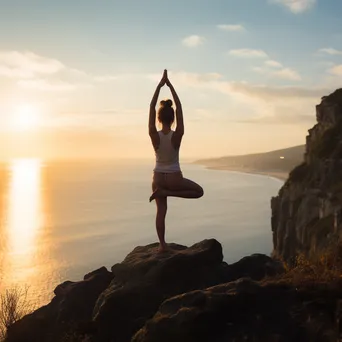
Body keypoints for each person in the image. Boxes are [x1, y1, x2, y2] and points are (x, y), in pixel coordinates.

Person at [148, 69, 204, 252]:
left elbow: (151, 107)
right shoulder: (177, 135)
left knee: (160, 212)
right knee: (199, 192)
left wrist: (159, 85)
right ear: (172, 118)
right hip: (174, 177)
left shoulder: (153, 135)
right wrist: (170, 85)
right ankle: (166, 192)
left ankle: (162, 245)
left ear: (158, 118)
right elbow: (179, 108)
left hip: (157, 176)